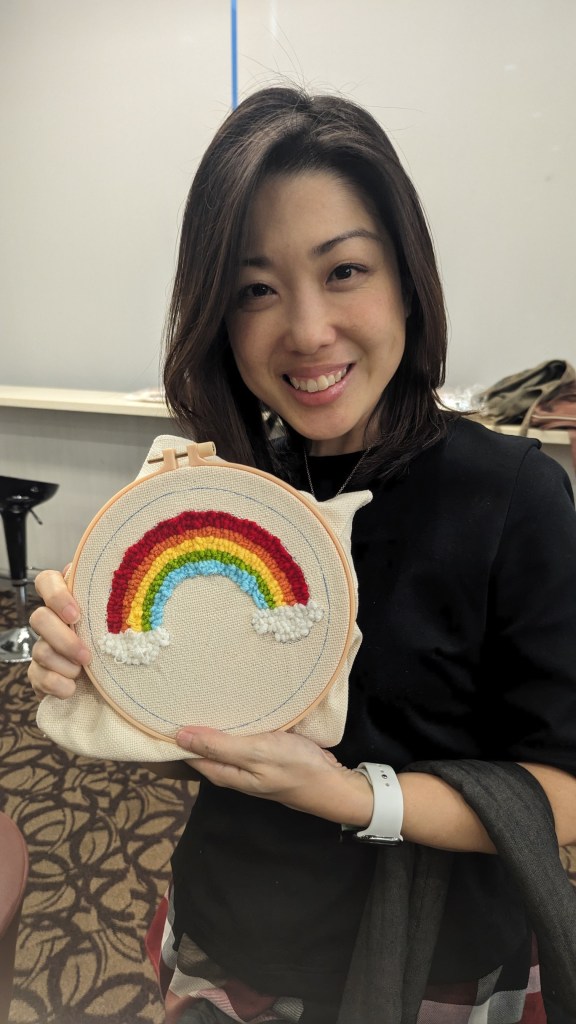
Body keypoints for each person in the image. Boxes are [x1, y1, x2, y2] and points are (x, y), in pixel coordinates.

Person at [27, 87, 576, 1024]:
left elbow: (563, 790)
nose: (309, 329)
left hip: (436, 960)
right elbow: (201, 742)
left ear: (407, 278)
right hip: (233, 928)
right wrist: (106, 682)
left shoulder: (514, 496)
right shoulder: (224, 494)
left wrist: (357, 798)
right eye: (256, 290)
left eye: (345, 270)